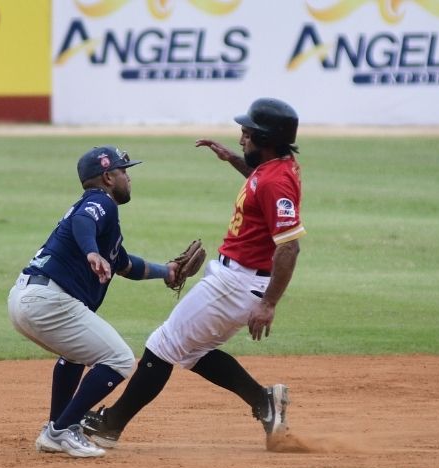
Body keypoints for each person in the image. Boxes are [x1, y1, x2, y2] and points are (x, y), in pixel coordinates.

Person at [81, 98, 306, 448]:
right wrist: (232, 159)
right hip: (237, 278)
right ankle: (264, 402)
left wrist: (269, 303)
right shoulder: (277, 168)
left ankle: (110, 425)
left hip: (239, 283)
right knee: (191, 351)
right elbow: (262, 183)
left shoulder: (276, 181)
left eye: (247, 133)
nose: (241, 138)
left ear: (266, 138)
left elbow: (289, 246)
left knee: (163, 345)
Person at [8, 145, 183, 457]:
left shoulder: (103, 218)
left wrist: (166, 272)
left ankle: (57, 428)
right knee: (119, 359)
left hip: (28, 297)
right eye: (123, 171)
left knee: (76, 354)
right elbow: (83, 223)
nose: (128, 177)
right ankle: (63, 430)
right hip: (49, 300)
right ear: (107, 177)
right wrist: (90, 251)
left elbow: (127, 265)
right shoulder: (100, 202)